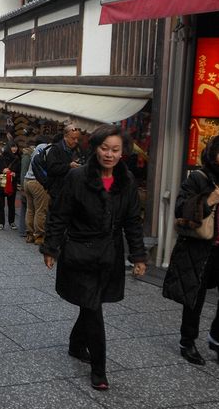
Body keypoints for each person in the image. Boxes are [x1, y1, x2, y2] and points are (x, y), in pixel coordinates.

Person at [41, 124, 147, 391]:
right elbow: (59, 214)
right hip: (80, 252)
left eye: (115, 150)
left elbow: (133, 221)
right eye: (104, 148)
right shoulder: (77, 178)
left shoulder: (127, 181)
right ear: (95, 148)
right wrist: (51, 247)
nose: (109, 154)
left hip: (109, 255)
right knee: (93, 308)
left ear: (123, 152)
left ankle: (77, 345)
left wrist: (138, 255)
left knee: (92, 304)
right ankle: (99, 369)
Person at [163, 133, 219, 368]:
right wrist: (209, 201)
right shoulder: (197, 178)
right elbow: (181, 208)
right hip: (198, 248)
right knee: (195, 297)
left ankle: (218, 340)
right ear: (212, 154)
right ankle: (187, 341)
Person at [22, 136, 51, 244]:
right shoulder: (47, 148)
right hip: (37, 181)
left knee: (30, 209)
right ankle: (39, 236)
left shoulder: (36, 149)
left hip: (27, 180)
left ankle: (29, 234)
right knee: (40, 210)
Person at [45, 125, 87, 198]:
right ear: (65, 137)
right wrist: (69, 166)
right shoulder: (56, 149)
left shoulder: (78, 149)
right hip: (58, 191)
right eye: (73, 138)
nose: (76, 141)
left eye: (78, 139)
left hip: (74, 190)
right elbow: (51, 168)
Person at [0, 142, 21, 230]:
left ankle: (11, 222)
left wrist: (15, 174)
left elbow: (20, 173)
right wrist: (2, 170)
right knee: (0, 204)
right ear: (8, 148)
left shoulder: (17, 159)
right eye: (13, 146)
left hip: (12, 184)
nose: (14, 149)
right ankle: (1, 223)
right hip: (1, 184)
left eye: (16, 147)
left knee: (11, 204)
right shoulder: (0, 158)